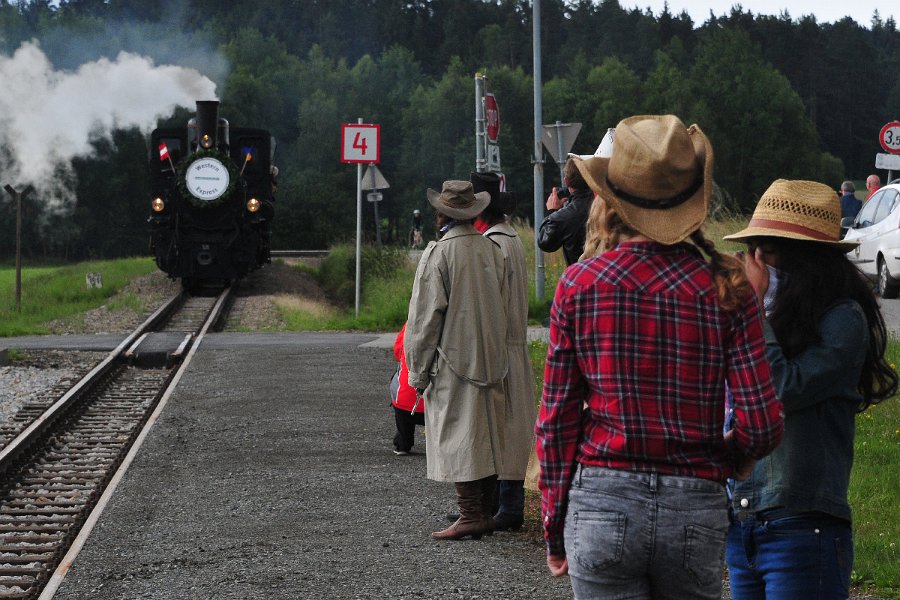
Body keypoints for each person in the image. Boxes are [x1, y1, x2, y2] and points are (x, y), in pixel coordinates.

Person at [535, 114, 785, 599]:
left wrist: (553, 522)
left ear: (613, 197)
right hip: (694, 504)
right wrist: (728, 457)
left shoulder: (579, 284)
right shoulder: (729, 286)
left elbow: (557, 421)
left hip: (603, 499)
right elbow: (763, 424)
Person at [723, 179, 898, 600]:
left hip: (802, 527)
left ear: (805, 259)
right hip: (742, 522)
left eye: (767, 250)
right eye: (752, 250)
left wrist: (752, 310)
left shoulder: (843, 320)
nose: (755, 262)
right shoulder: (764, 317)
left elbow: (781, 387)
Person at [405, 180, 509, 541]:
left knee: (458, 433)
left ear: (440, 214)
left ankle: (470, 515)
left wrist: (417, 371)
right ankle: (481, 512)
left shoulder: (438, 254)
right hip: (490, 355)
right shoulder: (491, 249)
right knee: (484, 431)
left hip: (453, 358)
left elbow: (424, 319)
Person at [471, 171, 536, 532]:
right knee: (509, 426)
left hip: (501, 348)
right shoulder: (509, 238)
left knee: (504, 428)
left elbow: (491, 305)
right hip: (513, 344)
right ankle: (500, 505)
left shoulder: (493, 244)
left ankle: (505, 507)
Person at [537, 157, 594, 265]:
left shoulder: (563, 217)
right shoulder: (603, 204)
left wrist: (552, 211)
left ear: (566, 181)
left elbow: (545, 242)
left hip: (579, 275)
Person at [389, 323, 425, 456]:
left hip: (404, 406)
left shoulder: (410, 324)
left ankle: (403, 444)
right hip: (436, 409)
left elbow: (397, 351)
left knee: (400, 381)